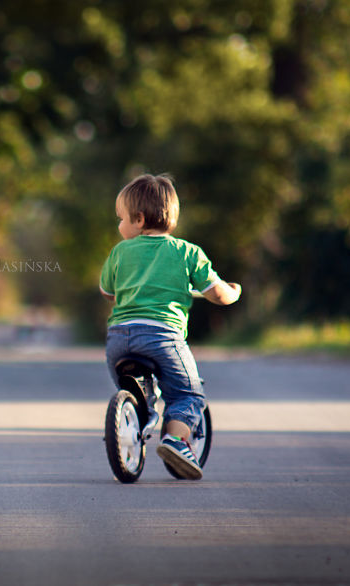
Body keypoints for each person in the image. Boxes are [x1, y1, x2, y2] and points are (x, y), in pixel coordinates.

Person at [100, 173, 241, 480]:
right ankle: (177, 440)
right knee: (189, 394)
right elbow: (217, 293)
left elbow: (108, 292)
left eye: (120, 219)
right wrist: (234, 291)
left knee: (135, 389)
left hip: (119, 339)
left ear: (138, 220)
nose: (119, 225)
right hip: (161, 337)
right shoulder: (187, 252)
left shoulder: (119, 253)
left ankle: (138, 416)